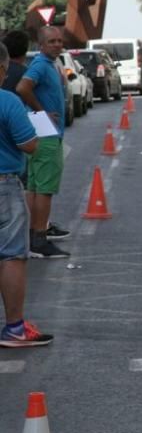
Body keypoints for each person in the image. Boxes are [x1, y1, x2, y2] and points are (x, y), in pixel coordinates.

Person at [0, 42, 50, 348]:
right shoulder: (7, 101)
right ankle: (15, 328)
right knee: (11, 256)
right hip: (4, 185)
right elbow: (29, 144)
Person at [15, 27, 69, 259]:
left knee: (34, 187)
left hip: (40, 133)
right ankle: (39, 238)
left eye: (59, 40)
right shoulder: (40, 65)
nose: (57, 44)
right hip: (46, 134)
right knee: (44, 189)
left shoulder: (48, 64)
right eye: (52, 41)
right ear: (41, 44)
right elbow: (22, 87)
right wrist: (43, 111)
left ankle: (32, 236)